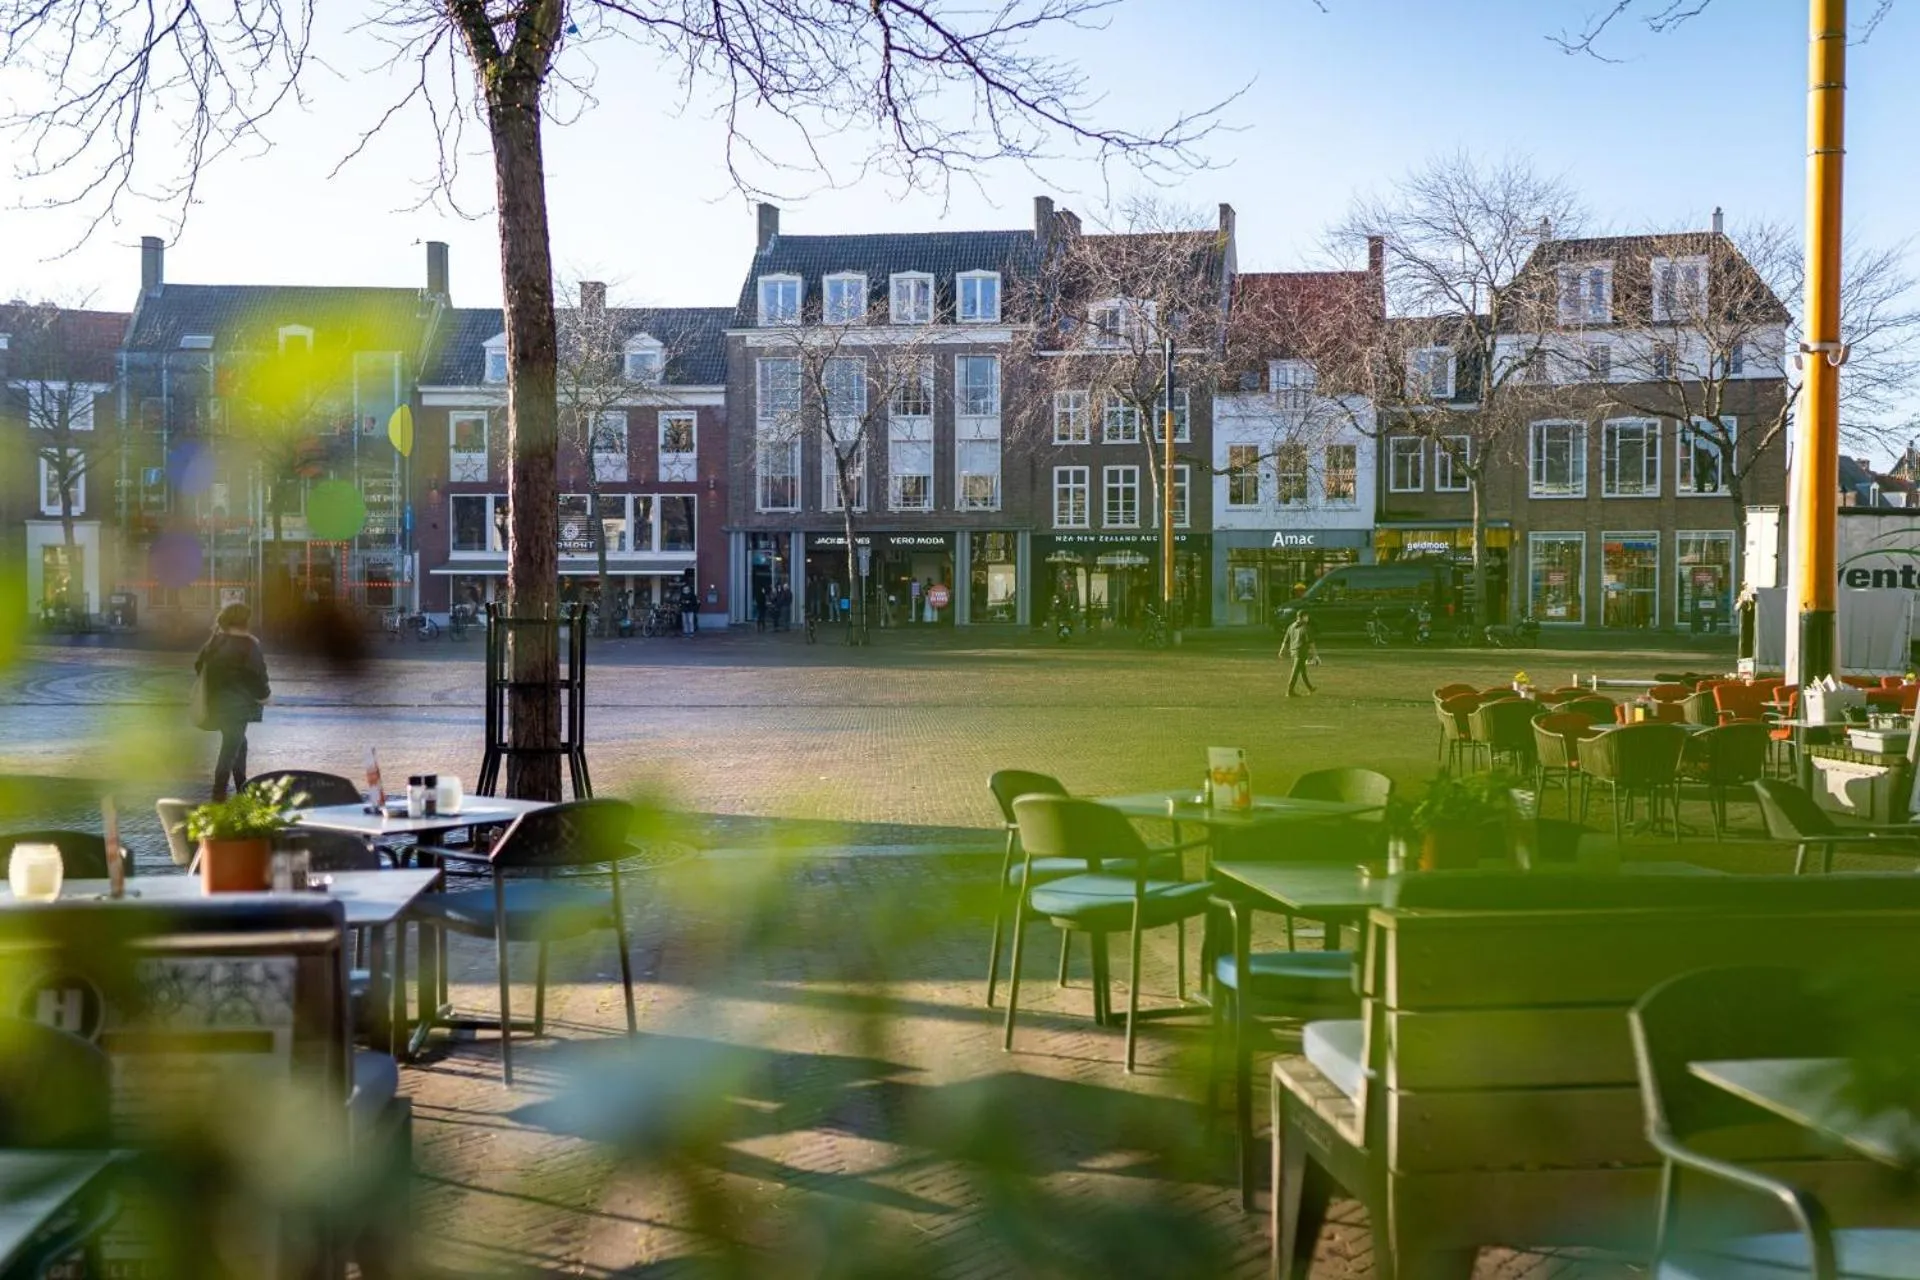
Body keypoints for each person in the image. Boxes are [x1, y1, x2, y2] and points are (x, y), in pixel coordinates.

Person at [195, 603, 271, 800]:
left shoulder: (215, 642)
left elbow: (199, 666)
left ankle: (241, 787)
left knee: (239, 744)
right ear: (245, 622)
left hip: (216, 703)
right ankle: (219, 794)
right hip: (238, 707)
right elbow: (258, 674)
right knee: (230, 749)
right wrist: (265, 695)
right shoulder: (249, 644)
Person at [1280, 609, 1318, 698]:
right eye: (1306, 616)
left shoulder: (1291, 626)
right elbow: (1311, 642)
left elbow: (1285, 640)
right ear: (1303, 617)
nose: (1307, 618)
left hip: (1293, 651)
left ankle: (1310, 688)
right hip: (1301, 652)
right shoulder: (1305, 627)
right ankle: (1290, 691)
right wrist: (1315, 655)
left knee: (1302, 670)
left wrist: (1281, 650)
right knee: (1295, 671)